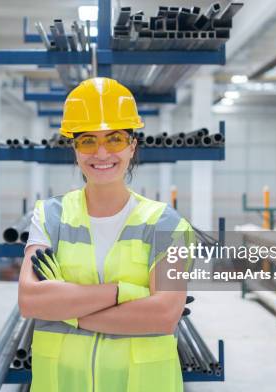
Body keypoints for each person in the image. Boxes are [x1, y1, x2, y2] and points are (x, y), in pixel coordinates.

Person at [18, 77, 193, 392]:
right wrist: (125, 293)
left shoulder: (167, 224)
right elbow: (31, 300)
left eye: (113, 139)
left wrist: (67, 313)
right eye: (87, 140)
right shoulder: (49, 216)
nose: (101, 153)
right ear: (74, 148)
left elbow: (164, 314)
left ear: (131, 145)